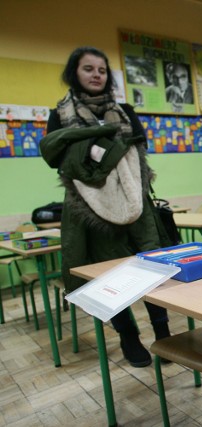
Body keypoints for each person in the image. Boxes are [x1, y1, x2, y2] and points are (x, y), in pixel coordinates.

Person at [40, 46, 171, 368]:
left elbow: (138, 157)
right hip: (89, 210)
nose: (96, 75)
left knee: (151, 267)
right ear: (75, 73)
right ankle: (128, 336)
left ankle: (163, 331)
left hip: (135, 203)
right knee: (107, 275)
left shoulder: (124, 109)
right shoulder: (60, 114)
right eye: (88, 69)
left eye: (101, 70)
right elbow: (59, 160)